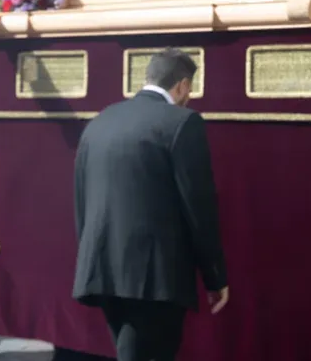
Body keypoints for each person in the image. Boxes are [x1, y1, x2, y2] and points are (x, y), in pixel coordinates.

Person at [74, 49, 229, 361]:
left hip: (102, 266)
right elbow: (198, 206)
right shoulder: (183, 122)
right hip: (155, 278)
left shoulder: (102, 120)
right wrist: (215, 277)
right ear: (183, 86)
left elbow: (81, 197)